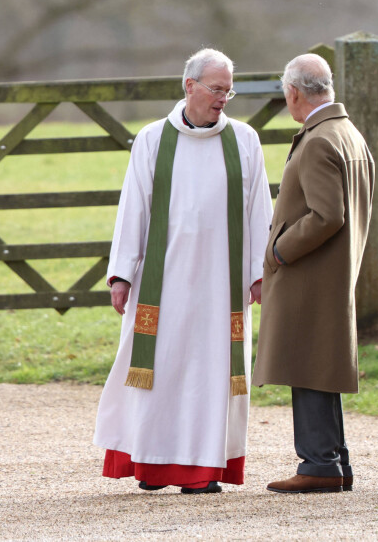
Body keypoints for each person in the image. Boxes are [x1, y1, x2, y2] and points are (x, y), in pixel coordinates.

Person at [93, 49, 273, 494]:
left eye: (228, 90)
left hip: (221, 285)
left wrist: (257, 273)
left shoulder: (245, 140)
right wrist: (122, 274)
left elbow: (258, 211)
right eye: (216, 89)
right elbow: (132, 208)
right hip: (164, 281)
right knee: (159, 368)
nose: (223, 99)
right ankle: (152, 465)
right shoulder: (153, 139)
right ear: (189, 85)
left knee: (209, 373)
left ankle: (201, 469)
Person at [252, 53, 374, 494]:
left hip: (311, 274)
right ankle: (333, 462)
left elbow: (327, 216)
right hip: (333, 273)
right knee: (320, 367)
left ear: (294, 93)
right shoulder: (349, 134)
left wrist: (280, 250)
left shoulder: (321, 139)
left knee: (307, 367)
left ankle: (319, 463)